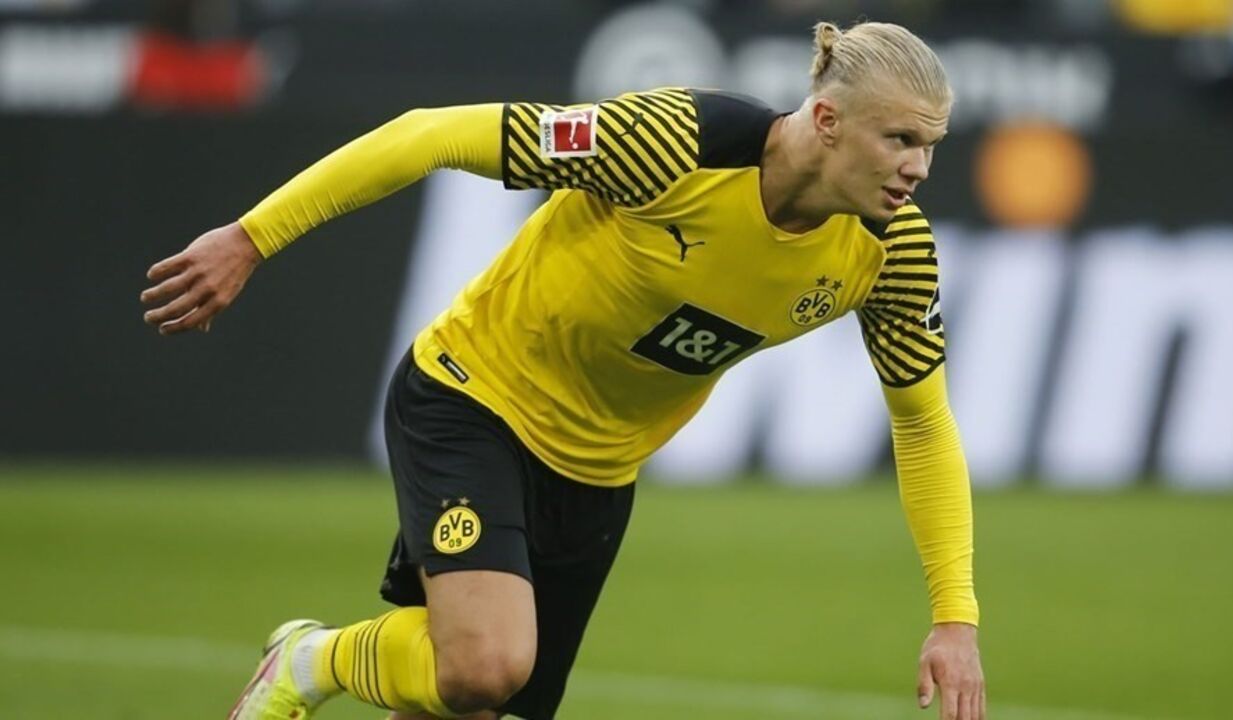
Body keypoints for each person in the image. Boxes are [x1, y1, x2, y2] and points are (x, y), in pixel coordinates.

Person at [141, 19, 986, 720]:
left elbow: (920, 423)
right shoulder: (669, 144)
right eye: (900, 139)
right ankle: (311, 658)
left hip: (596, 474)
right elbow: (429, 134)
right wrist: (251, 238)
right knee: (484, 666)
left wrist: (954, 618)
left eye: (930, 145)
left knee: (462, 703)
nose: (918, 167)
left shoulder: (893, 254)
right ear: (827, 119)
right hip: (476, 397)